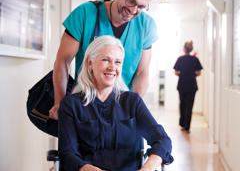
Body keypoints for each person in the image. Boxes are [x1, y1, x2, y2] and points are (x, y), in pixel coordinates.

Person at [58, 36, 173, 171]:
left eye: (118, 62)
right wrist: (86, 168)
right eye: (106, 60)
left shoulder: (132, 102)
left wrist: (147, 167)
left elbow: (162, 140)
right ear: (90, 63)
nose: (112, 67)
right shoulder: (71, 105)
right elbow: (67, 153)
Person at [50, 0, 157, 120]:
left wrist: (132, 107)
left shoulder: (146, 25)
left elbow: (142, 72)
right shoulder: (85, 13)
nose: (133, 10)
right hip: (85, 103)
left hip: (121, 106)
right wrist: (60, 103)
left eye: (141, 6)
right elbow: (63, 61)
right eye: (131, 1)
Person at [173, 41, 203, 133]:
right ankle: (187, 127)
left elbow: (176, 72)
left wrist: (183, 73)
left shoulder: (180, 59)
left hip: (182, 85)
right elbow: (199, 72)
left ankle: (182, 125)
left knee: (182, 105)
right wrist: (191, 74)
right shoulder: (195, 59)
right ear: (191, 49)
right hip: (192, 86)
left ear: (184, 49)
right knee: (189, 106)